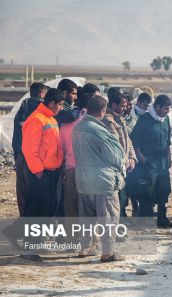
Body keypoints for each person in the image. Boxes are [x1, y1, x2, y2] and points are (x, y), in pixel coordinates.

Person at [72, 95, 126, 262]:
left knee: (86, 219)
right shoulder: (99, 130)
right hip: (102, 182)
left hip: (82, 179)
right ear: (103, 111)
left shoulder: (78, 127)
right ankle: (108, 252)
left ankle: (85, 249)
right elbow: (116, 156)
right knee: (108, 218)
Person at [20, 88, 65, 261]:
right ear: (52, 103)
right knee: (36, 211)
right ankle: (28, 248)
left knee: (48, 210)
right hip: (41, 173)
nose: (61, 108)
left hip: (52, 172)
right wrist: (38, 172)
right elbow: (29, 150)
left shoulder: (50, 119)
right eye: (60, 105)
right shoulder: (36, 120)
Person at [131, 95, 172, 228]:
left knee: (164, 190)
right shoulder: (144, 119)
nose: (167, 111)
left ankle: (162, 218)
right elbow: (135, 139)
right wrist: (141, 157)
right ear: (157, 107)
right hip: (149, 162)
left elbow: (167, 140)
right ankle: (145, 221)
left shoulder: (165, 119)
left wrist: (169, 157)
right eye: (165, 108)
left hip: (162, 163)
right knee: (147, 192)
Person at [11, 82, 49, 216]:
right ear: (42, 94)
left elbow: (15, 137)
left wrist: (18, 158)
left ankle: (23, 227)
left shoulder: (22, 109)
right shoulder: (43, 111)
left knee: (23, 196)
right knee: (38, 196)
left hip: (21, 157)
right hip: (36, 159)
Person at [103, 91, 137, 218]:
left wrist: (132, 158)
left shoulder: (120, 119)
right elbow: (114, 146)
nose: (125, 108)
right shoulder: (108, 120)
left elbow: (128, 141)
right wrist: (125, 162)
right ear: (113, 104)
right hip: (114, 168)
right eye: (122, 106)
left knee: (121, 199)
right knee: (114, 201)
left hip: (123, 166)